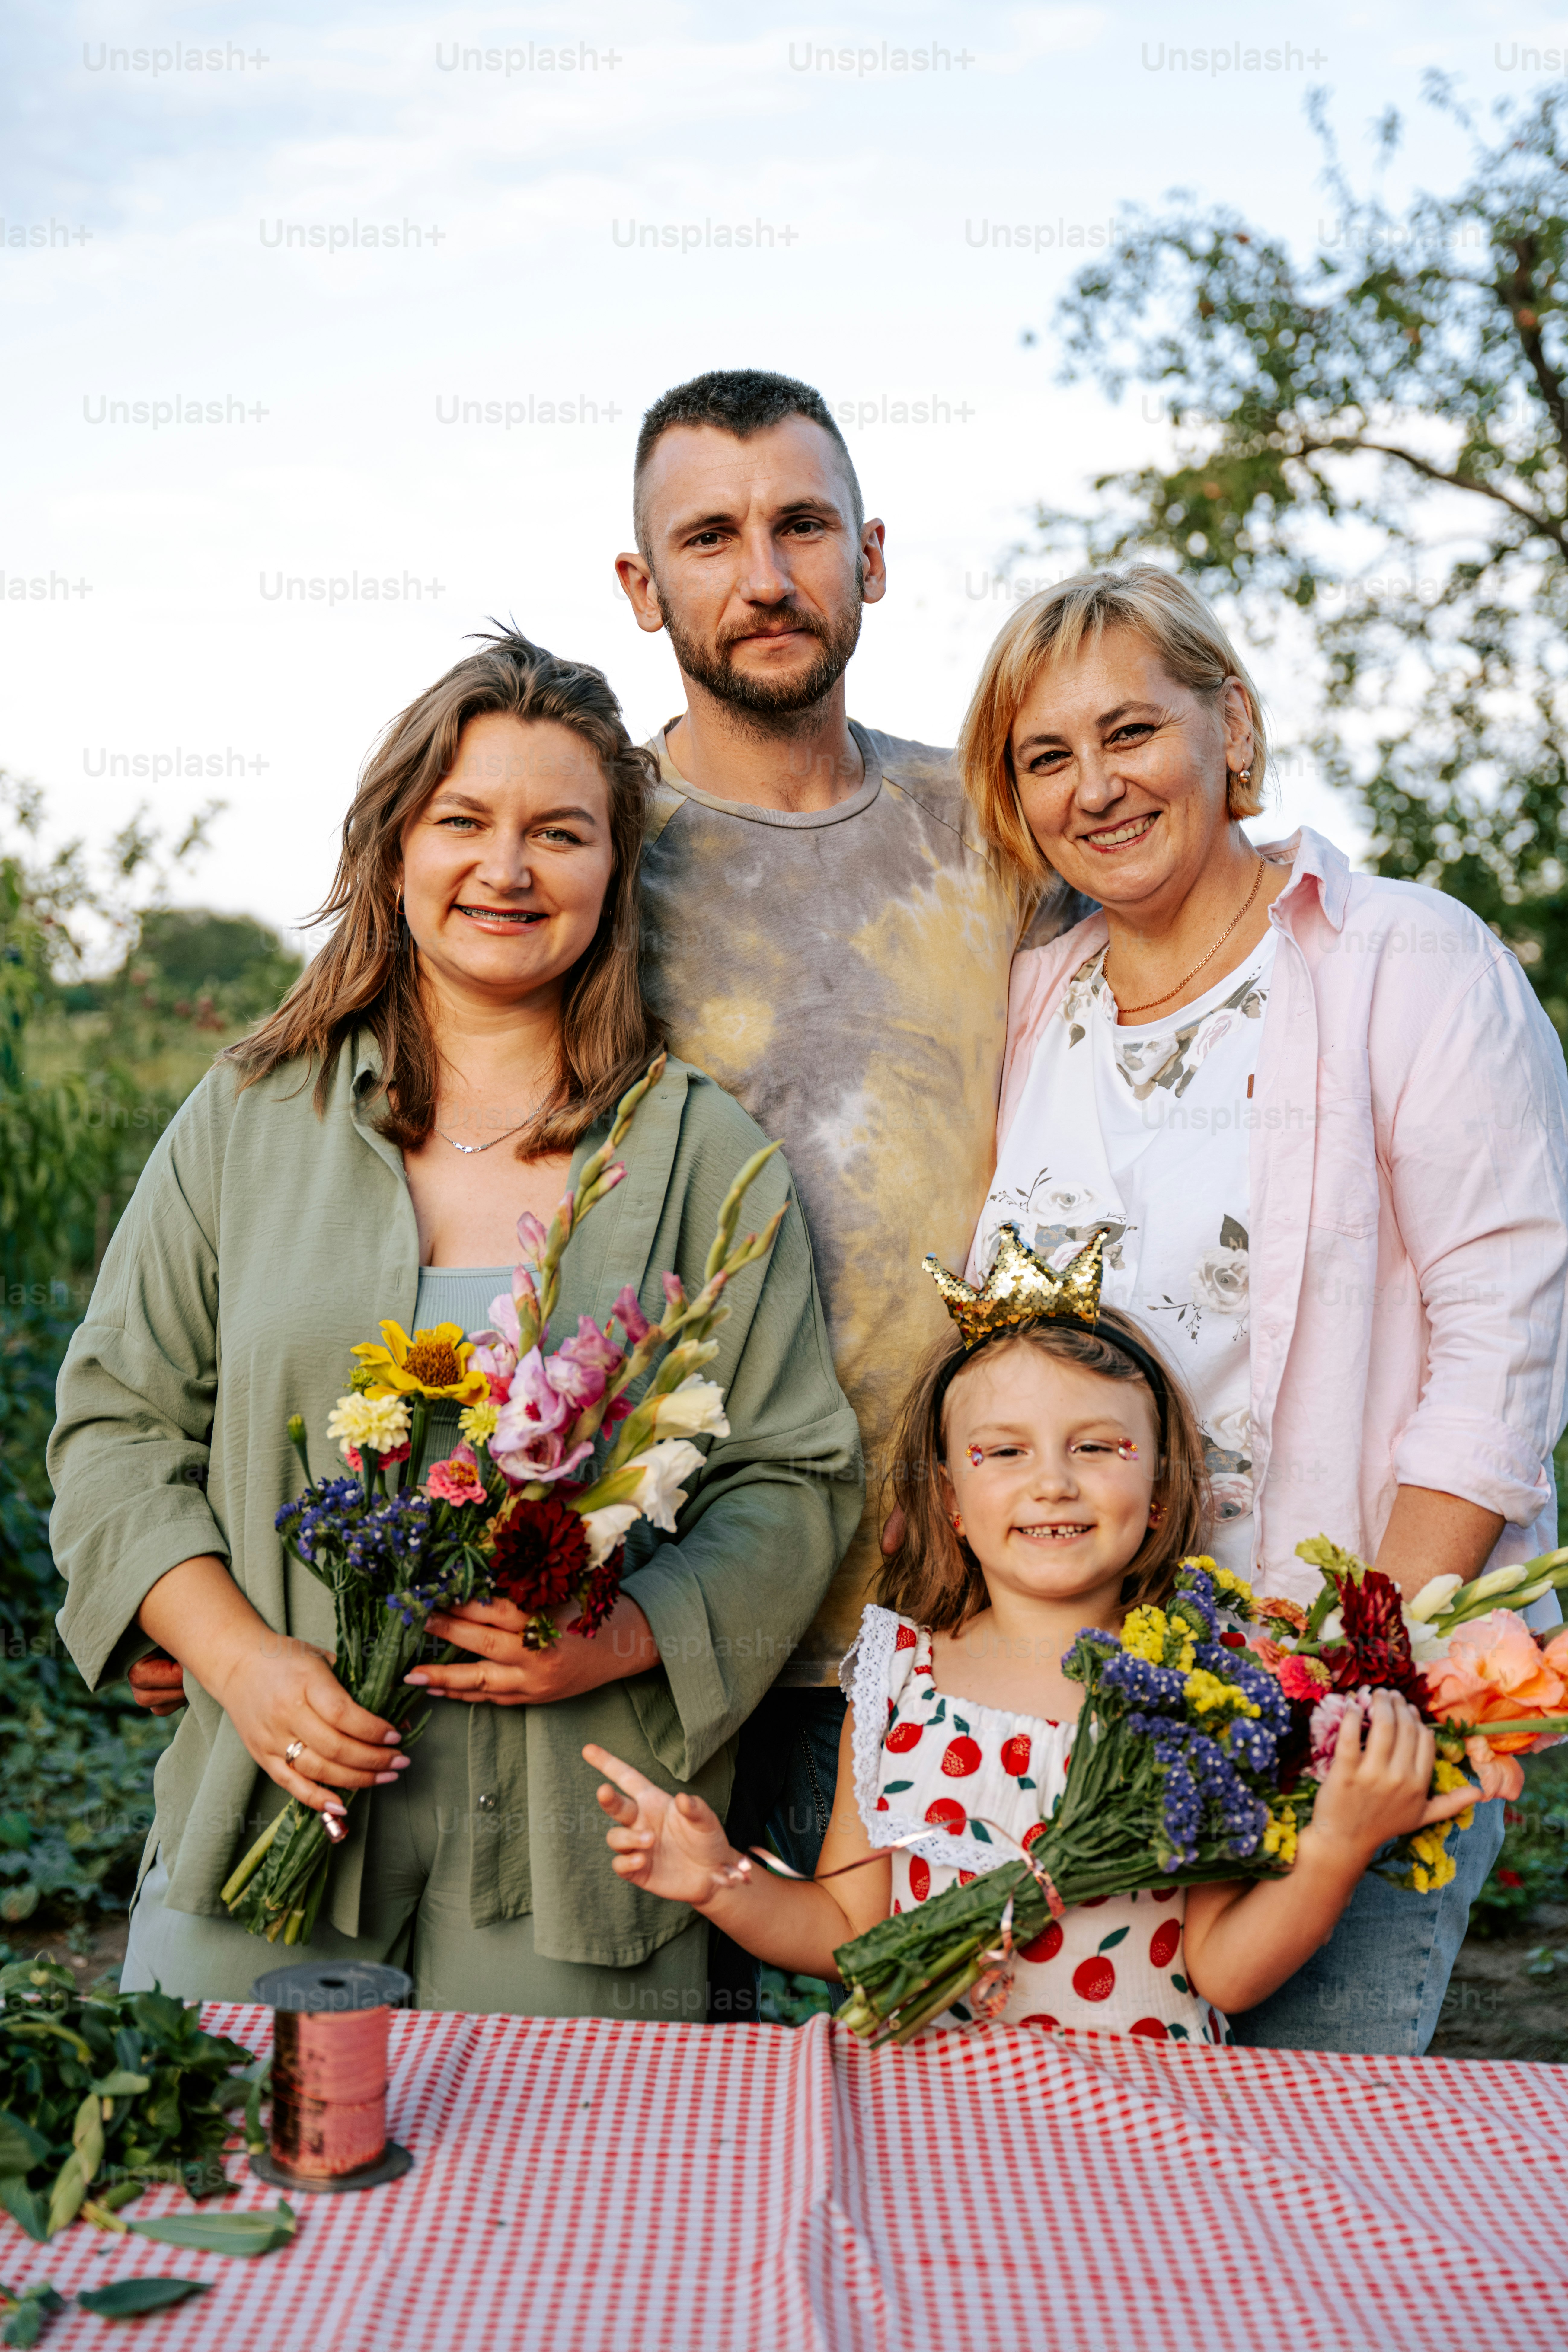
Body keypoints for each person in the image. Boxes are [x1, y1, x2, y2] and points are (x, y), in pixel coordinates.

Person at [49, 630, 861, 2015]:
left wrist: (626, 1633)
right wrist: (241, 1663)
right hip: (274, 1798)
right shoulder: (252, 1115)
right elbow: (117, 1425)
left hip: (581, 1826)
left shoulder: (698, 1154)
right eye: (464, 820)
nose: (508, 867)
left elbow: (795, 1476)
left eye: (561, 830)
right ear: (394, 846)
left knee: (569, 2222)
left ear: (614, 873)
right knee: (221, 2187)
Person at [947, 562, 1568, 2053]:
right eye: (1047, 756)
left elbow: (1506, 1335)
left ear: (1232, 727)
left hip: (1349, 1706)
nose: (1094, 785)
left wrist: (1367, 1677)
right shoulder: (1040, 1002)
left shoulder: (1403, 960)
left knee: (1313, 2155)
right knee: (1088, 2165)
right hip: (1105, 1714)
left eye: (1131, 731)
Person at [614, 369, 1075, 1931]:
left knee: (974, 2109)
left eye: (802, 525)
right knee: (688, 2132)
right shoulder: (584, 849)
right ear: (640, 584)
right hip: (667, 1612)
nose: (763, 576)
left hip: (965, 1621)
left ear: (869, 555)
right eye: (710, 536)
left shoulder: (996, 834)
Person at [583, 1289, 1474, 2037]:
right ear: (952, 1502)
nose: (1052, 1479)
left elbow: (1224, 1972)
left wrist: (1337, 1844)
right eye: (1003, 1451)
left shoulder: (1203, 1689)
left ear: (1161, 1495)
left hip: (1136, 2126)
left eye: (1096, 1446)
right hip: (935, 2115)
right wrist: (719, 1881)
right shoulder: (896, 1674)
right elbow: (845, 1927)